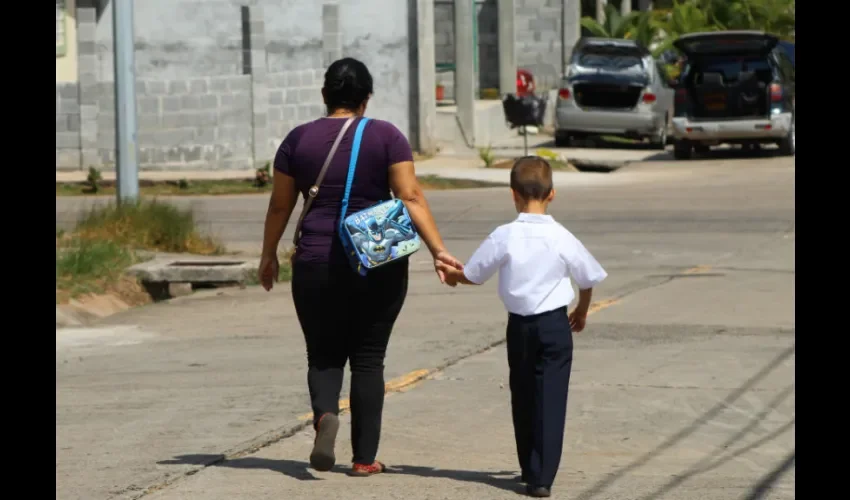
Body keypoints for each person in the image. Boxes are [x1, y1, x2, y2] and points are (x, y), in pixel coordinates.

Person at [258, 57, 463, 477]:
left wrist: (267, 255)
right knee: (369, 358)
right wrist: (438, 250)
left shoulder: (297, 140)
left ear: (324, 96)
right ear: (366, 99)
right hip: (377, 261)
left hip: (315, 261)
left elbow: (281, 205)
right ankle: (365, 459)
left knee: (322, 353)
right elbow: (411, 197)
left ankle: (324, 417)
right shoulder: (387, 136)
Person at [440, 156, 607, 498]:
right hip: (556, 326)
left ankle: (529, 468)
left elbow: (474, 274)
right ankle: (543, 477)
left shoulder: (505, 235)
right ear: (552, 194)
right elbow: (588, 278)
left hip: (519, 328)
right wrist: (582, 310)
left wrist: (454, 276)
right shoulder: (562, 236)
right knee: (552, 397)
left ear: (512, 194)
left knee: (524, 395)